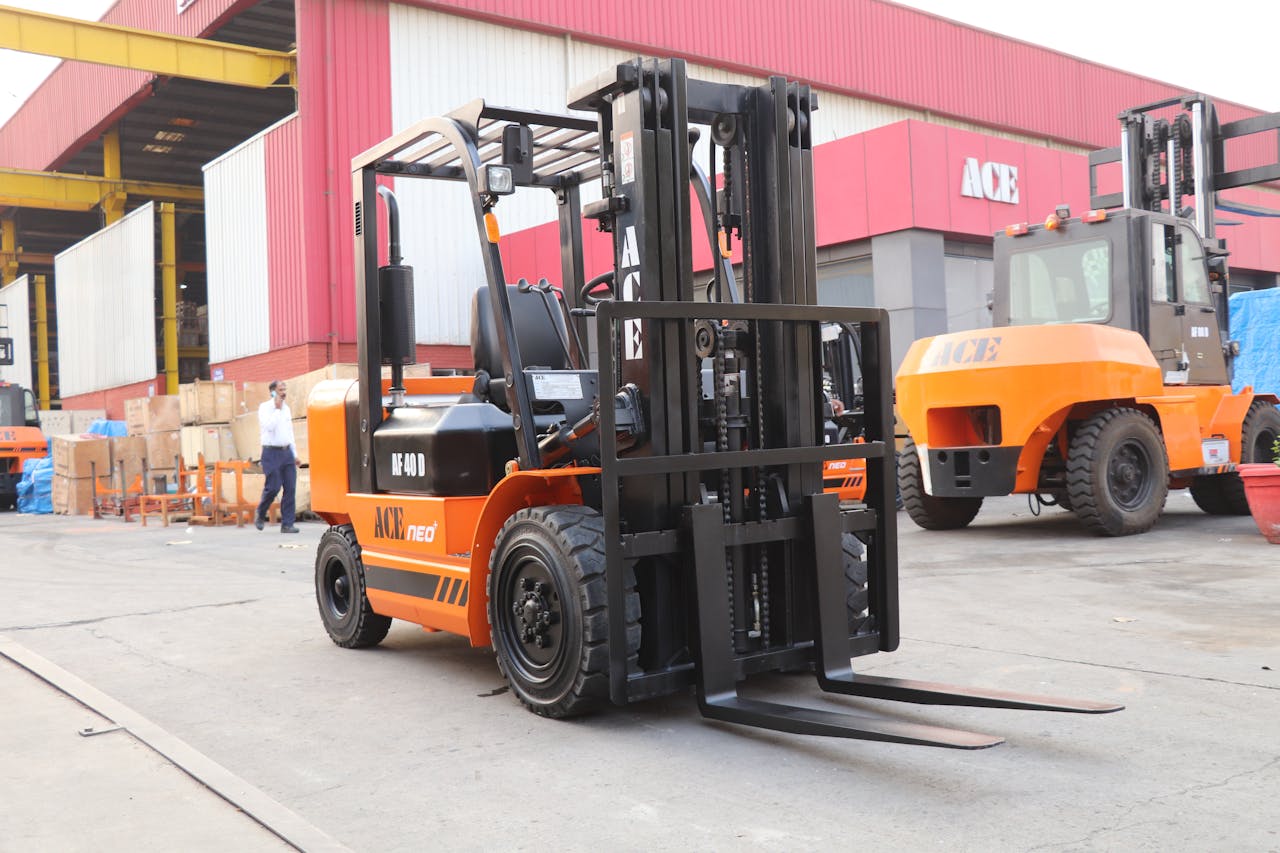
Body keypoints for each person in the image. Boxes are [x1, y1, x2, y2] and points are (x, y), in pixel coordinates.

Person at [256, 379, 301, 533]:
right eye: (280, 390)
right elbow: (269, 426)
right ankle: (261, 512)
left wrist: (295, 454)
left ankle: (287, 524)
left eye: (284, 389)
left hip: (286, 452)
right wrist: (276, 409)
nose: (284, 393)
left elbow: (289, 433)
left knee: (290, 487)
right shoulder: (265, 408)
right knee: (273, 487)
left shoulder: (287, 409)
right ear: (273, 392)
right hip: (271, 452)